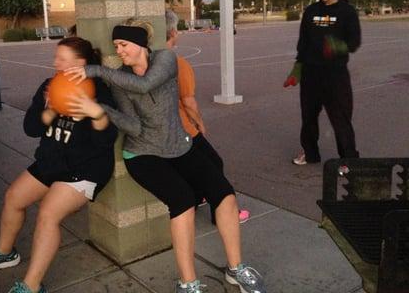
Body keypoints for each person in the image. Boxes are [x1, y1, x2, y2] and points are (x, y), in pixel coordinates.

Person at [66, 19, 265, 293]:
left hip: (179, 146)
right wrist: (100, 109)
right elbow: (134, 126)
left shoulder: (166, 59)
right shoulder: (120, 80)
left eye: (123, 45)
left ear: (140, 45)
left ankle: (236, 269)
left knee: (225, 194)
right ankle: (188, 283)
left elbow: (147, 84)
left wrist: (96, 70)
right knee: (182, 202)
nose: (119, 51)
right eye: (116, 46)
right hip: (142, 154)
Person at [0, 37, 117, 293]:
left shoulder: (99, 90)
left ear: (80, 63)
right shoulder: (49, 86)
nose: (55, 62)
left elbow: (106, 141)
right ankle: (5, 253)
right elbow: (30, 128)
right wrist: (50, 110)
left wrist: (96, 114)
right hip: (52, 162)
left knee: (48, 215)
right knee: (13, 197)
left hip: (86, 168)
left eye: (61, 58)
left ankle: (31, 286)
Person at [164, 10, 249, 225]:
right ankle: (222, 214)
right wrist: (199, 123)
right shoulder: (177, 63)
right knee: (214, 165)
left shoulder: (152, 60)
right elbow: (188, 101)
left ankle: (196, 196)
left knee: (194, 166)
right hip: (183, 129)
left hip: (166, 130)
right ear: (173, 32)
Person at [284, 0, 361, 165]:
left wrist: (336, 46)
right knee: (308, 118)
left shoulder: (346, 11)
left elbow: (354, 42)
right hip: (311, 74)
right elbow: (303, 43)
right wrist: (297, 70)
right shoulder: (311, 12)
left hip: (335, 75)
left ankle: (348, 160)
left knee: (340, 119)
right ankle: (310, 154)